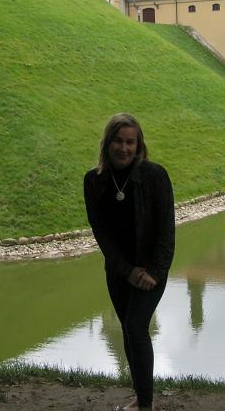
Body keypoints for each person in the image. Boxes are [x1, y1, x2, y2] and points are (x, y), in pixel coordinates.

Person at [84, 113, 175, 411]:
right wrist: (126, 270)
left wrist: (155, 272)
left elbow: (166, 232)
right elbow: (102, 235)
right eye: (118, 141)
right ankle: (140, 396)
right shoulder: (94, 180)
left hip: (151, 271)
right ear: (107, 143)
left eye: (130, 142)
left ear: (139, 145)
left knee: (136, 327)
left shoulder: (155, 176)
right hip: (119, 270)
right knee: (126, 328)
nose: (124, 148)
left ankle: (145, 405)